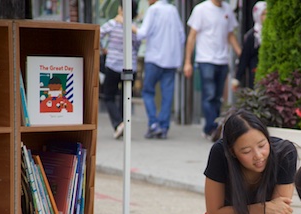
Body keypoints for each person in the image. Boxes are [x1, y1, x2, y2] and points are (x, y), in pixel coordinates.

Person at [184, 0, 242, 140]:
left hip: (222, 60)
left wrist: (241, 54)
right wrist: (187, 62)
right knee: (209, 96)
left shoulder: (227, 9)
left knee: (217, 98)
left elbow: (230, 34)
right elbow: (192, 37)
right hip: (206, 60)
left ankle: (212, 128)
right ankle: (212, 128)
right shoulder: (201, 9)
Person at [137, 0, 185, 140]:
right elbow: (181, 36)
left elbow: (142, 33)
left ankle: (153, 124)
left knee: (147, 91)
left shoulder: (153, 10)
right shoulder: (173, 10)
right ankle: (163, 127)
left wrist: (132, 27)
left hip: (154, 58)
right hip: (171, 61)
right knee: (167, 95)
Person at [100, 1, 141, 139]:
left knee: (109, 96)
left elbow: (98, 34)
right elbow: (137, 45)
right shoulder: (134, 28)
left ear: (121, 10)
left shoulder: (112, 24)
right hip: (130, 67)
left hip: (113, 65)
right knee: (126, 97)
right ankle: (123, 124)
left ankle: (118, 123)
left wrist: (102, 49)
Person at [231, 1, 266, 91]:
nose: (266, 18)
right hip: (254, 73)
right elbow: (244, 58)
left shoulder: (273, 34)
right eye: (263, 14)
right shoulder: (252, 35)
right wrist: (237, 78)